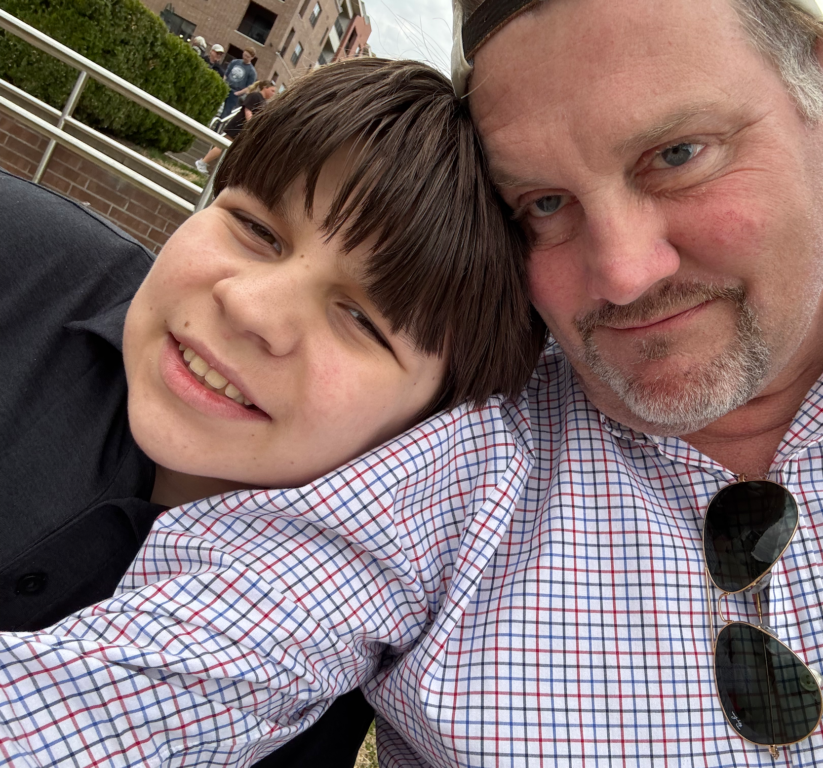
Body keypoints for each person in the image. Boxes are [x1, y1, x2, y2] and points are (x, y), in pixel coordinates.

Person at [1, 0, 823, 765]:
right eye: (541, 203)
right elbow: (135, 689)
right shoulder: (450, 462)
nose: (621, 273)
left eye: (678, 154)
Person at [0, 58, 541, 766]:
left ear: (433, 422)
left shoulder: (311, 687)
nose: (250, 307)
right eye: (256, 228)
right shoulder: (17, 258)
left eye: (362, 320)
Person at [197, 80, 276, 174]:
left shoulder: (263, 101)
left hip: (244, 129)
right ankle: (202, 162)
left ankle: (214, 168)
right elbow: (248, 111)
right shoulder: (255, 96)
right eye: (272, 90)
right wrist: (251, 125)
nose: (273, 93)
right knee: (222, 145)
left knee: (232, 150)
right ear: (265, 88)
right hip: (238, 125)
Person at [221, 47, 258, 118]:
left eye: (247, 56)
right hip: (226, 87)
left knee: (226, 112)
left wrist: (238, 93)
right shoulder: (235, 62)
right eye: (244, 55)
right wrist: (223, 83)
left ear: (252, 58)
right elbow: (226, 74)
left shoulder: (252, 72)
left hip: (235, 92)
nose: (245, 57)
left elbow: (249, 87)